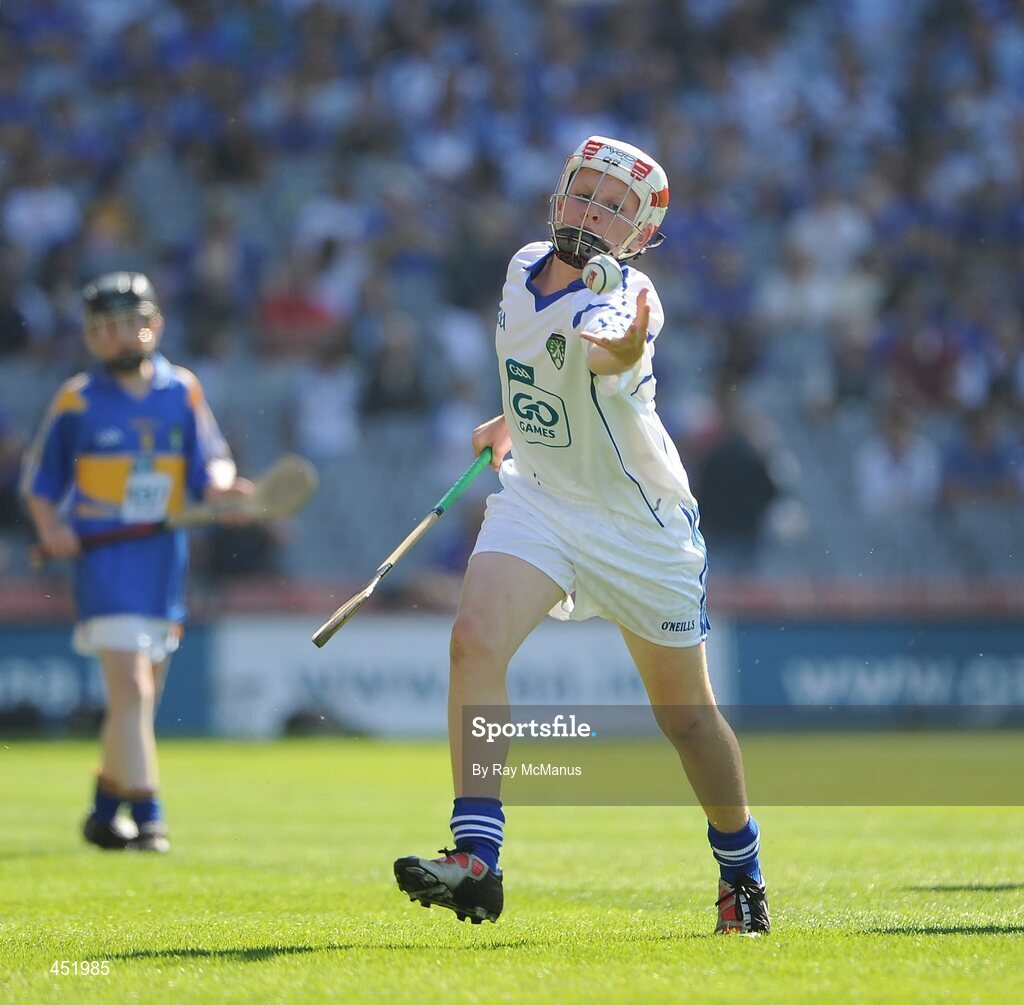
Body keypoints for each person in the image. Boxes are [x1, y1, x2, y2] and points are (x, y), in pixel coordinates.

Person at [393, 137, 770, 934]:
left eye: (617, 209)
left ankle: (741, 871)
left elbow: (604, 349)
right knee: (473, 640)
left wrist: (626, 348)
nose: (595, 213)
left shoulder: (632, 300)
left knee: (687, 720)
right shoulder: (521, 264)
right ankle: (477, 858)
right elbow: (539, 363)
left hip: (641, 531)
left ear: (643, 239)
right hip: (541, 502)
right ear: (558, 198)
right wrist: (512, 418)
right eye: (586, 194)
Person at [20, 272, 253, 853]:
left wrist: (224, 489)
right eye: (105, 329)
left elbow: (211, 463)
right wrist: (53, 528)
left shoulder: (184, 391)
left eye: (130, 324)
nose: (120, 338)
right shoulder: (77, 399)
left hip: (162, 565)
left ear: (154, 325)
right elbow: (38, 480)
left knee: (137, 695)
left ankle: (104, 812)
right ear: (91, 338)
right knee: (133, 692)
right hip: (104, 565)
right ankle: (150, 814)